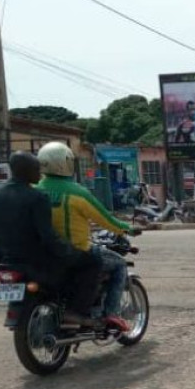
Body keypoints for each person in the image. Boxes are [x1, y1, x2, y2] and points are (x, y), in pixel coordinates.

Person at [0, 151, 101, 327]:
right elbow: (48, 237)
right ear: (26, 171)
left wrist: (1, 263)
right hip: (38, 265)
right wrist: (70, 251)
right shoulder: (37, 197)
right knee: (93, 261)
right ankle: (75, 312)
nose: (40, 174)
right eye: (37, 169)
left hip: (8, 264)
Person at [36, 141, 136, 333]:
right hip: (77, 250)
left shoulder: (35, 189)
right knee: (119, 264)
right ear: (66, 163)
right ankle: (112, 313)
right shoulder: (77, 192)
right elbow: (106, 219)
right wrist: (127, 228)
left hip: (44, 253)